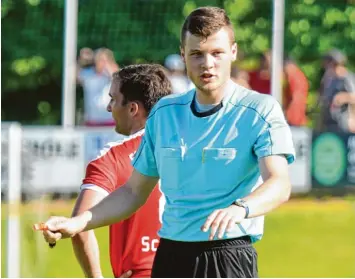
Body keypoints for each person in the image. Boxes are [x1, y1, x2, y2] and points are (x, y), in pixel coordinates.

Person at [41, 7, 295, 278]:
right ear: (183, 54)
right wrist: (77, 223)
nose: (207, 63)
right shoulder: (164, 113)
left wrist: (241, 208)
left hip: (228, 254)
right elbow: (133, 192)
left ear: (233, 52)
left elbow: (278, 182)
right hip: (171, 256)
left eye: (216, 53)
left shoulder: (260, 109)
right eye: (196, 53)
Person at [70, 64, 171, 278]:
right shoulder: (190, 148)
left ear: (133, 109)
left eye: (113, 99)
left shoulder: (112, 157)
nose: (109, 108)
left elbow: (79, 225)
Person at [248, 51, 309, 126]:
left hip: (292, 119)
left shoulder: (292, 76)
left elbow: (294, 98)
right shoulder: (254, 75)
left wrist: (287, 114)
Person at [77, 48, 119, 127]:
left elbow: (117, 76)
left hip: (109, 120)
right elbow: (74, 77)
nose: (100, 62)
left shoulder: (110, 74)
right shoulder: (88, 74)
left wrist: (106, 61)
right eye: (98, 59)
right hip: (92, 120)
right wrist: (81, 60)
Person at [317, 49, 355, 132]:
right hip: (328, 122)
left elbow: (353, 97)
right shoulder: (328, 79)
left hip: (343, 122)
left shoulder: (347, 78)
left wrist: (344, 97)